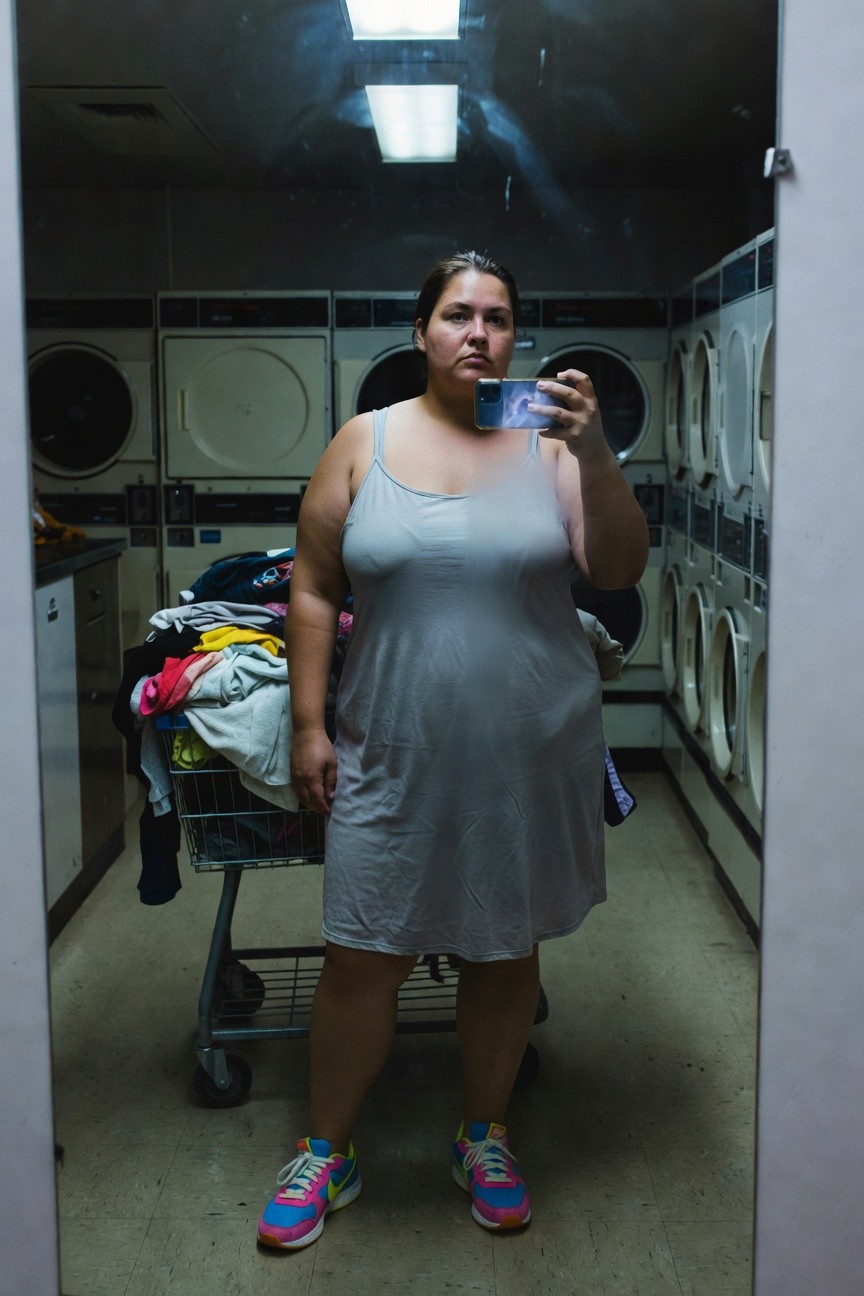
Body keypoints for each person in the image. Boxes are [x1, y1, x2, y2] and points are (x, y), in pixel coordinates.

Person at [257, 250, 649, 1250]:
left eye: (498, 318)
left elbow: (615, 569)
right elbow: (314, 586)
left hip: (531, 751)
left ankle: (486, 1136)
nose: (479, 333)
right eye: (458, 315)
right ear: (421, 331)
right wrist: (308, 724)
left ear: (516, 337)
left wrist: (596, 451)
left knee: (503, 949)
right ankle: (327, 1151)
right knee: (361, 954)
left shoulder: (553, 448)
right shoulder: (366, 441)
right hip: (391, 746)